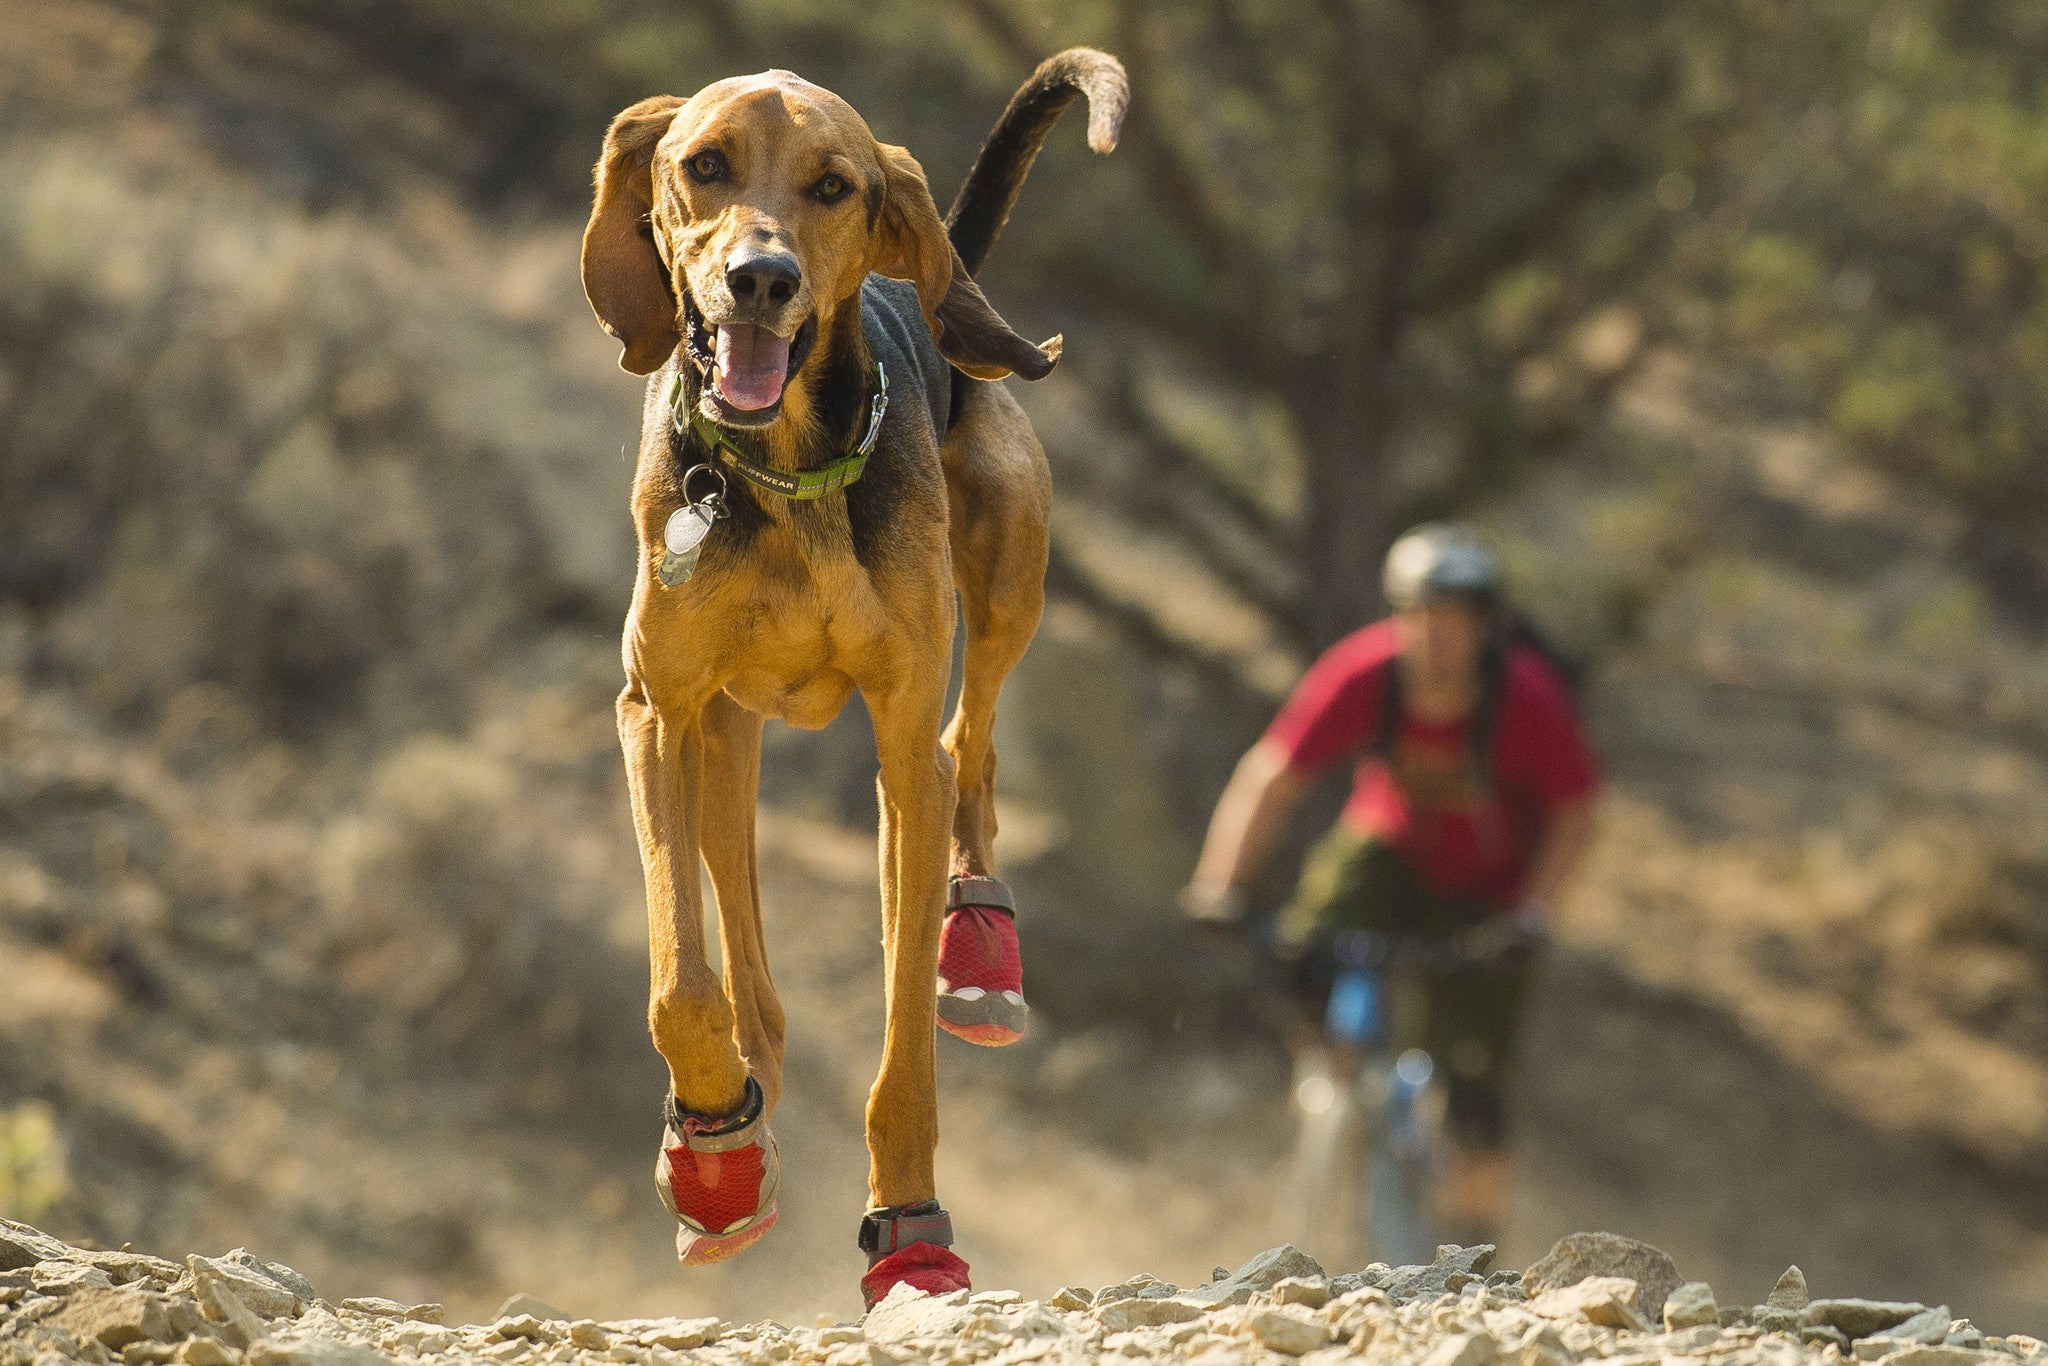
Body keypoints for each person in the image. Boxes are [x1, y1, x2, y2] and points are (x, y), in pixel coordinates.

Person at [1181, 523, 1599, 1246]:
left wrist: (1533, 917)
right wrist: (1220, 887)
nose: (1434, 639)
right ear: (1396, 617)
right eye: (1419, 619)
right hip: (1391, 849)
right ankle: (1333, 1086)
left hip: (1490, 890)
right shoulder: (1362, 674)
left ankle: (1477, 1240)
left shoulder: (1525, 699)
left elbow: (1577, 815)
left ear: (1484, 628)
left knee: (1473, 1087)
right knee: (1304, 946)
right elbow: (1271, 777)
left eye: (1453, 623)